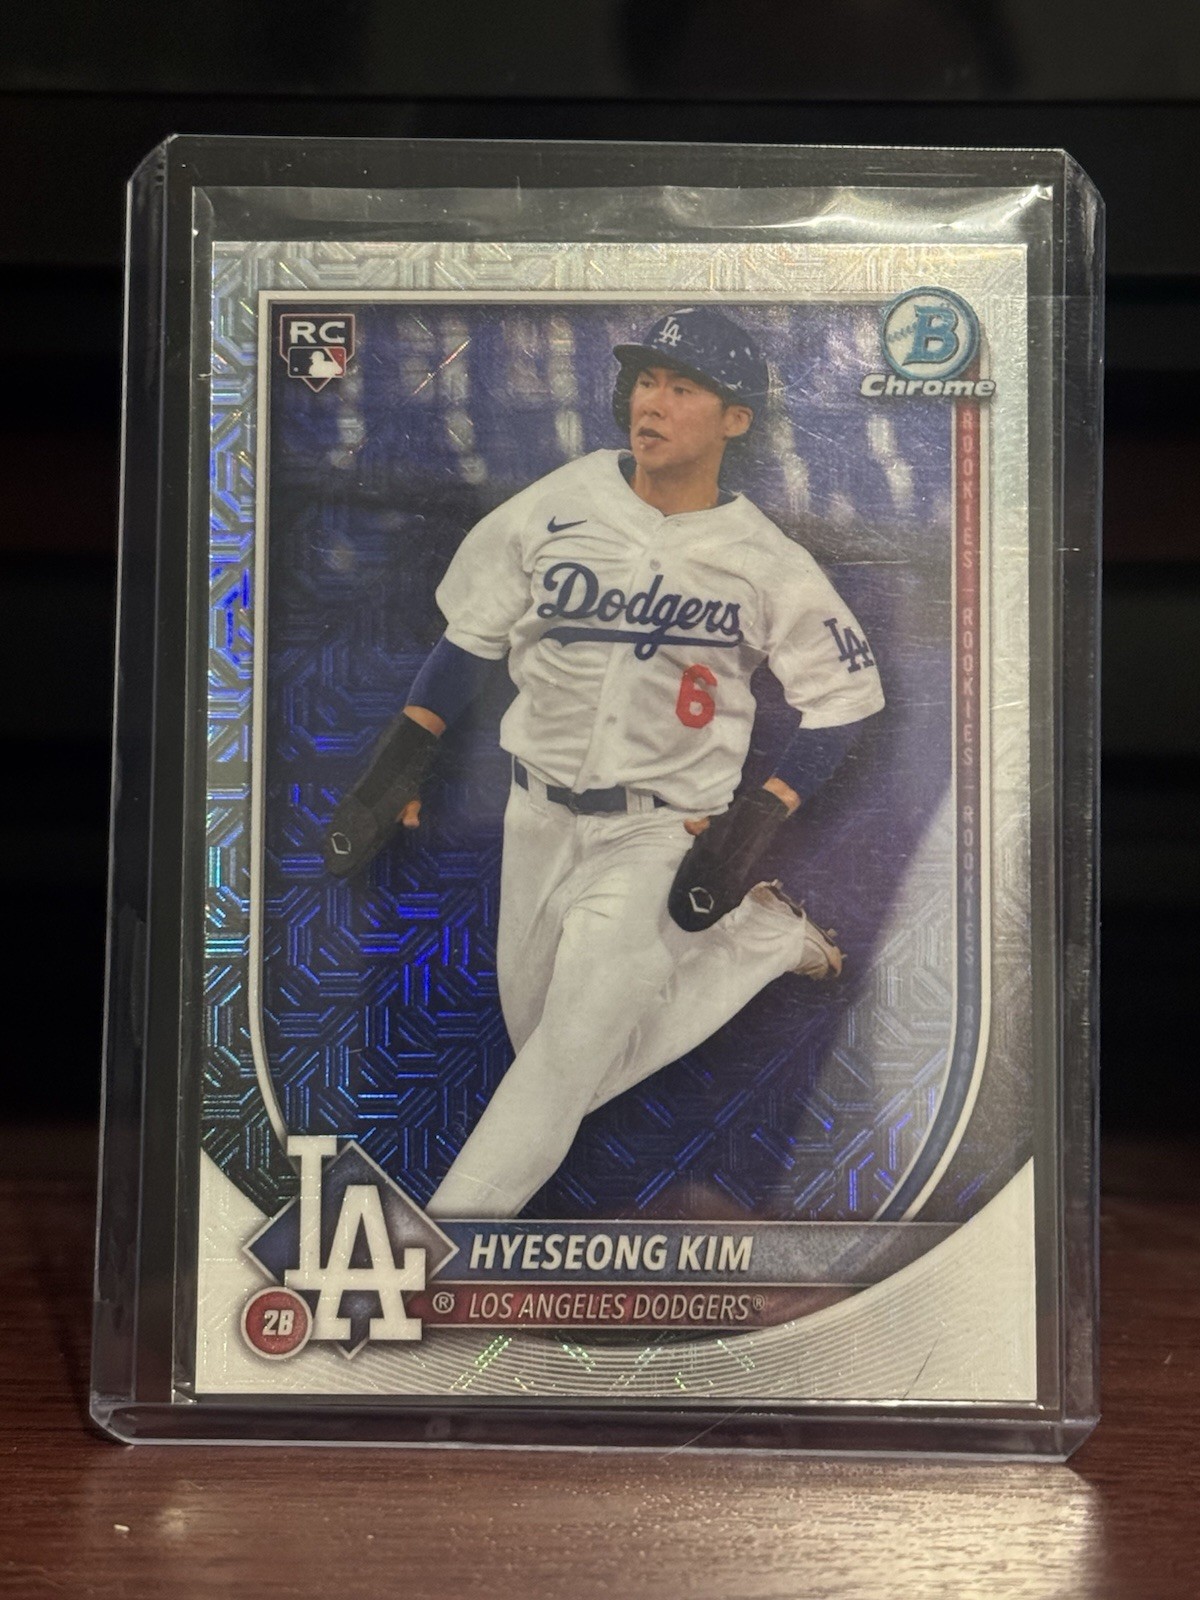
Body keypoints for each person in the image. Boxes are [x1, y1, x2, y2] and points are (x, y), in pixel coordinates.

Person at [324, 307, 884, 1219]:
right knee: (550, 1049)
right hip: (535, 815)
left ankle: (440, 1250)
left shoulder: (766, 560)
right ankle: (760, 943)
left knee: (561, 1064)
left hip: (660, 832)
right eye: (646, 382)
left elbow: (846, 700)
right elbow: (471, 637)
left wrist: (756, 818)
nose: (651, 403)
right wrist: (402, 761)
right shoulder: (562, 500)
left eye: (682, 387)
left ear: (735, 419)